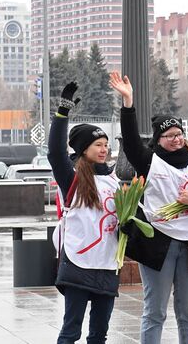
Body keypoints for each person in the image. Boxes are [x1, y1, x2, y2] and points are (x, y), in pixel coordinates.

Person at [110, 71, 188, 343]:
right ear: (158, 140)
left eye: (179, 134)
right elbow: (132, 141)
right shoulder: (150, 162)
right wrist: (128, 104)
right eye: (169, 135)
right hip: (158, 245)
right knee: (155, 313)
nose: (176, 139)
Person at [48, 82, 120, 344]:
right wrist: (63, 111)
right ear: (83, 149)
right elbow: (55, 152)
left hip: (108, 263)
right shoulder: (73, 178)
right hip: (79, 261)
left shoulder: (113, 179)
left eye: (105, 144)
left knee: (99, 334)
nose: (103, 149)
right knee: (71, 332)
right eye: (97, 144)